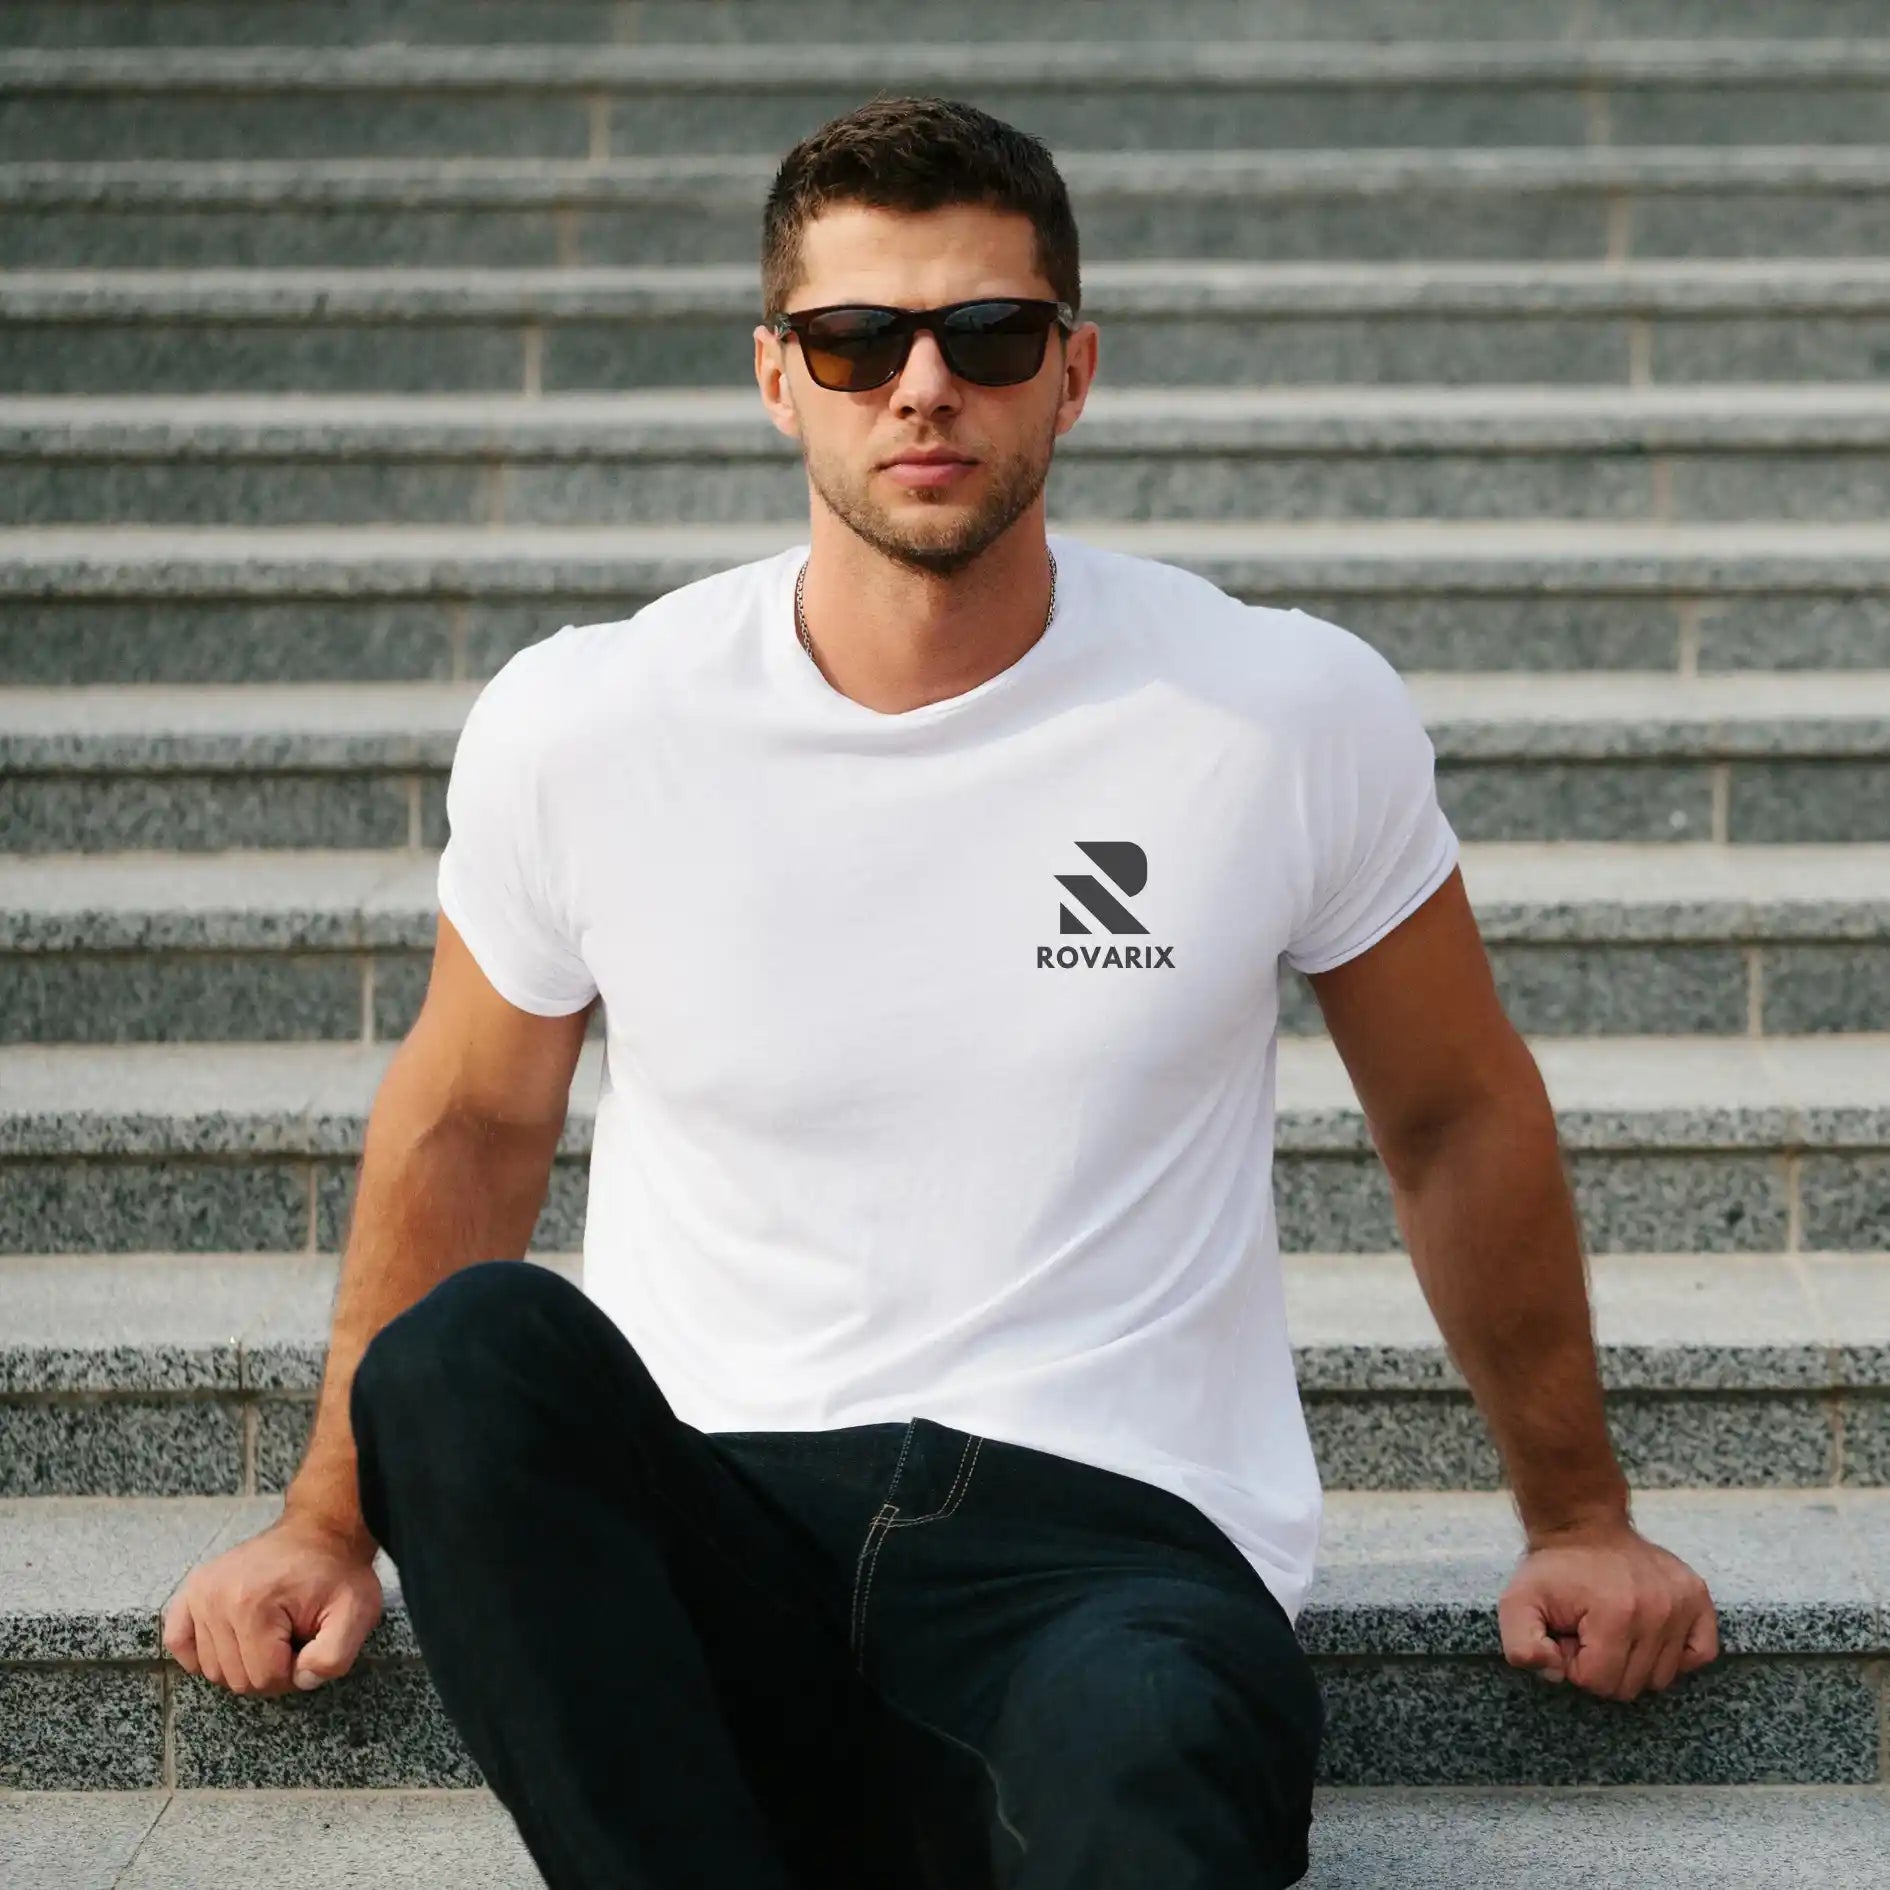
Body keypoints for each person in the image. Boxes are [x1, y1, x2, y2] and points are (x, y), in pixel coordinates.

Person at [162, 94, 1719, 1890]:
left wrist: (1579, 1518)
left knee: (1150, 1756)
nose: (922, 385)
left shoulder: (1275, 708)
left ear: (1070, 371)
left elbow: (1451, 1110)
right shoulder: (590, 720)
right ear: (776, 375)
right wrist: (320, 1520)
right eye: (855, 339)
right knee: (468, 1360)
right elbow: (467, 1119)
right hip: (720, 1520)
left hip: (1113, 1552)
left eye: (985, 334)